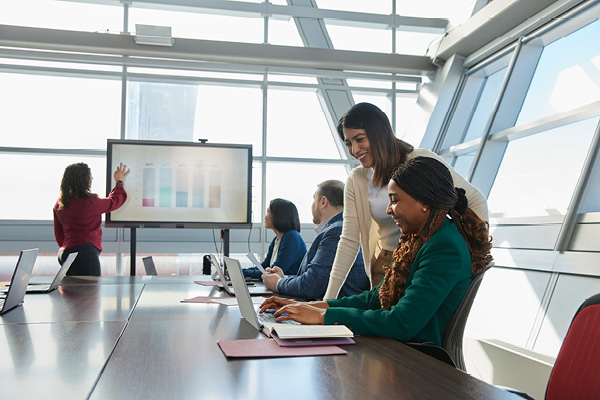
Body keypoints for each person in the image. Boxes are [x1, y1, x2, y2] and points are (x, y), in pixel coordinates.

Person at [259, 157, 493, 346]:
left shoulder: (445, 246)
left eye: (394, 200)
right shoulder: (418, 239)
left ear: (424, 201)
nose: (389, 210)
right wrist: (315, 307)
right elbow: (374, 298)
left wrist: (322, 317)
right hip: (398, 348)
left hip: (418, 360)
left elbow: (402, 322)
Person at [323, 102, 489, 300]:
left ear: (379, 133)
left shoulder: (420, 160)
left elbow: (475, 200)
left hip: (426, 260)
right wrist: (327, 300)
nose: (354, 149)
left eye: (359, 139)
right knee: (381, 325)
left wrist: (473, 252)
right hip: (386, 264)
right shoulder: (356, 180)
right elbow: (349, 240)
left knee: (410, 324)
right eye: (348, 143)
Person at [262, 180, 369, 300]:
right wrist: (284, 278)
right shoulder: (338, 228)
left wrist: (277, 284)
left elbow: (310, 287)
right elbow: (315, 279)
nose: (312, 205)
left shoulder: (336, 231)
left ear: (323, 202)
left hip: (334, 314)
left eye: (314, 199)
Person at [53, 162, 130, 276]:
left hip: (65, 253)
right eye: (90, 176)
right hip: (84, 255)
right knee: (90, 292)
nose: (92, 179)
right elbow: (114, 201)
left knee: (71, 292)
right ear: (84, 180)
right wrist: (119, 182)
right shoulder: (88, 202)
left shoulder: (60, 203)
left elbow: (59, 235)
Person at [242, 198, 306, 279]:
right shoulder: (278, 239)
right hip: (279, 287)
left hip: (288, 290)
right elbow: (265, 266)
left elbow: (273, 273)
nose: (265, 216)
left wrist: (242, 273)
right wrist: (242, 271)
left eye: (268, 212)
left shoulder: (291, 237)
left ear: (278, 216)